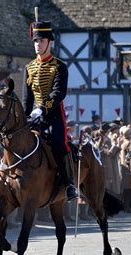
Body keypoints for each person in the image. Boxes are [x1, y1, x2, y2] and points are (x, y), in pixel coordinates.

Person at [24, 19, 78, 201]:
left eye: (41, 41)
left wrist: (42, 108)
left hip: (54, 114)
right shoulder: (29, 67)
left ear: (50, 43)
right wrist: (25, 117)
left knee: (58, 143)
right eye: (35, 41)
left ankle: (68, 182)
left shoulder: (59, 66)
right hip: (35, 117)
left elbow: (58, 93)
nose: (37, 45)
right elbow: (27, 98)